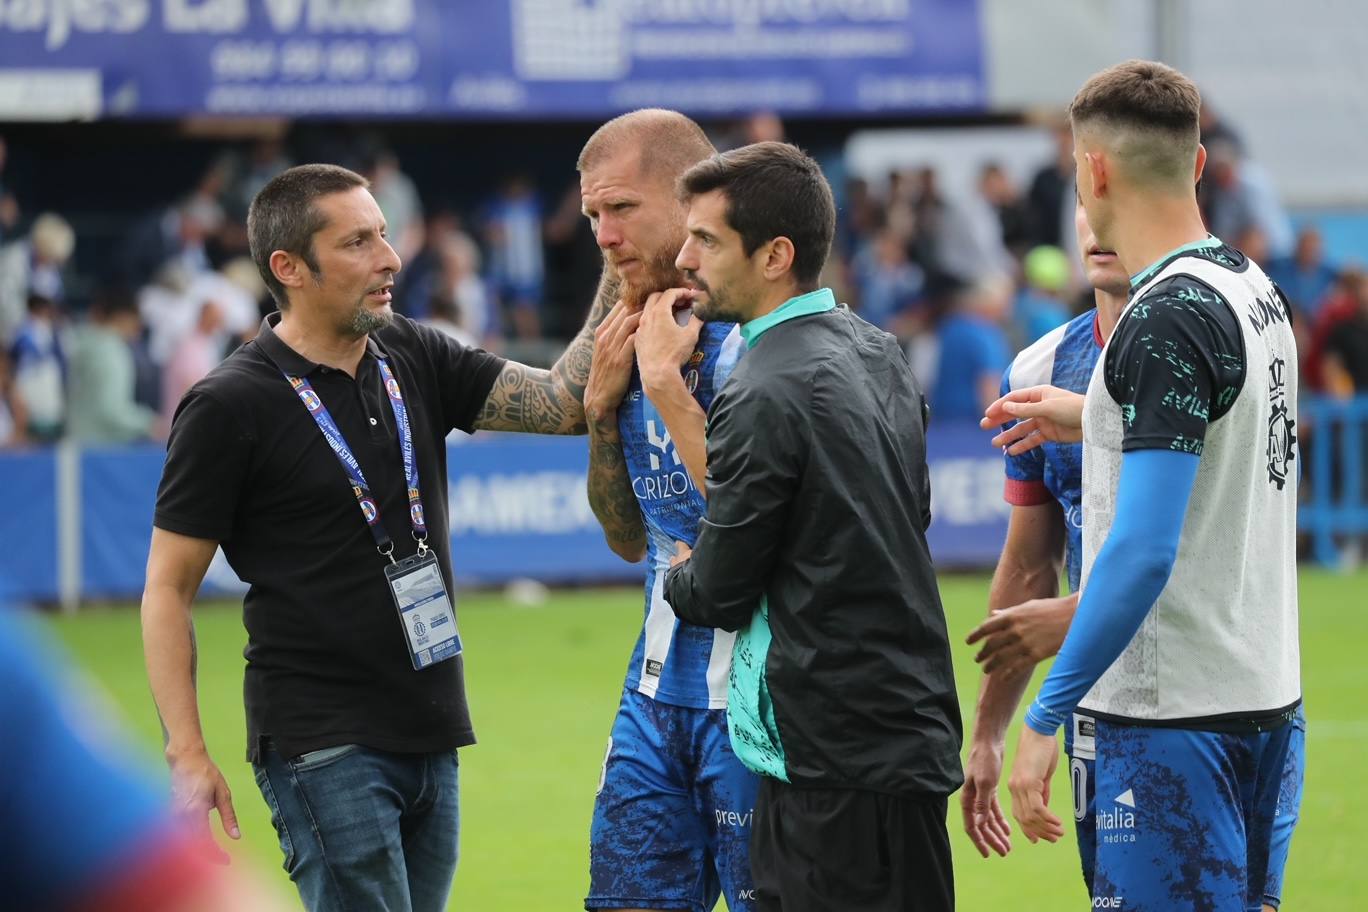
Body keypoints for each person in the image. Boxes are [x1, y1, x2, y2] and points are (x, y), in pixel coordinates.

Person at [141, 163, 616, 912]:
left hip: (432, 729)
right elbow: (167, 589)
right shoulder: (229, 404)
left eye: (385, 235)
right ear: (289, 268)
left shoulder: (413, 351)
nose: (389, 258)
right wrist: (187, 751)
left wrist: (624, 266)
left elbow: (560, 403)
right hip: (322, 742)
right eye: (359, 241)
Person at [1002, 61, 1301, 912]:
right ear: (1197, 165)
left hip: (1171, 725)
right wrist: (1092, 412)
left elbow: (1138, 554)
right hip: (1266, 707)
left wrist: (1042, 718)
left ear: (1091, 170)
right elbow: (1219, 441)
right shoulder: (1253, 290)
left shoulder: (1161, 317)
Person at [661, 142, 962, 912]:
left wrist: (679, 566)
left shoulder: (763, 383)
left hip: (832, 760)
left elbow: (720, 591)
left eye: (706, 240)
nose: (684, 257)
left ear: (776, 256)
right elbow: (905, 514)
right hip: (899, 739)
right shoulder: (879, 349)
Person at [577, 108, 759, 912]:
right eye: (592, 215)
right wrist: (597, 413)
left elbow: (766, 524)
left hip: (761, 711)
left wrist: (663, 387)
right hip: (652, 702)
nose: (604, 235)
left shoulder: (763, 346)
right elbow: (626, 539)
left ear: (690, 207)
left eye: (622, 209)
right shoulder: (632, 336)